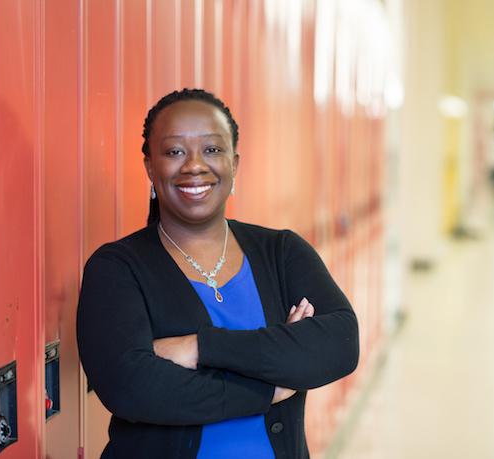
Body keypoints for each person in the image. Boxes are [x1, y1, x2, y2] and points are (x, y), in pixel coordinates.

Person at [76, 88, 359, 459]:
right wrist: (270, 385)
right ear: (149, 166)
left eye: (212, 150)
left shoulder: (281, 252)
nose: (194, 165)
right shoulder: (117, 268)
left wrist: (200, 347)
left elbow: (340, 343)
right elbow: (131, 387)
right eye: (175, 151)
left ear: (234, 164)